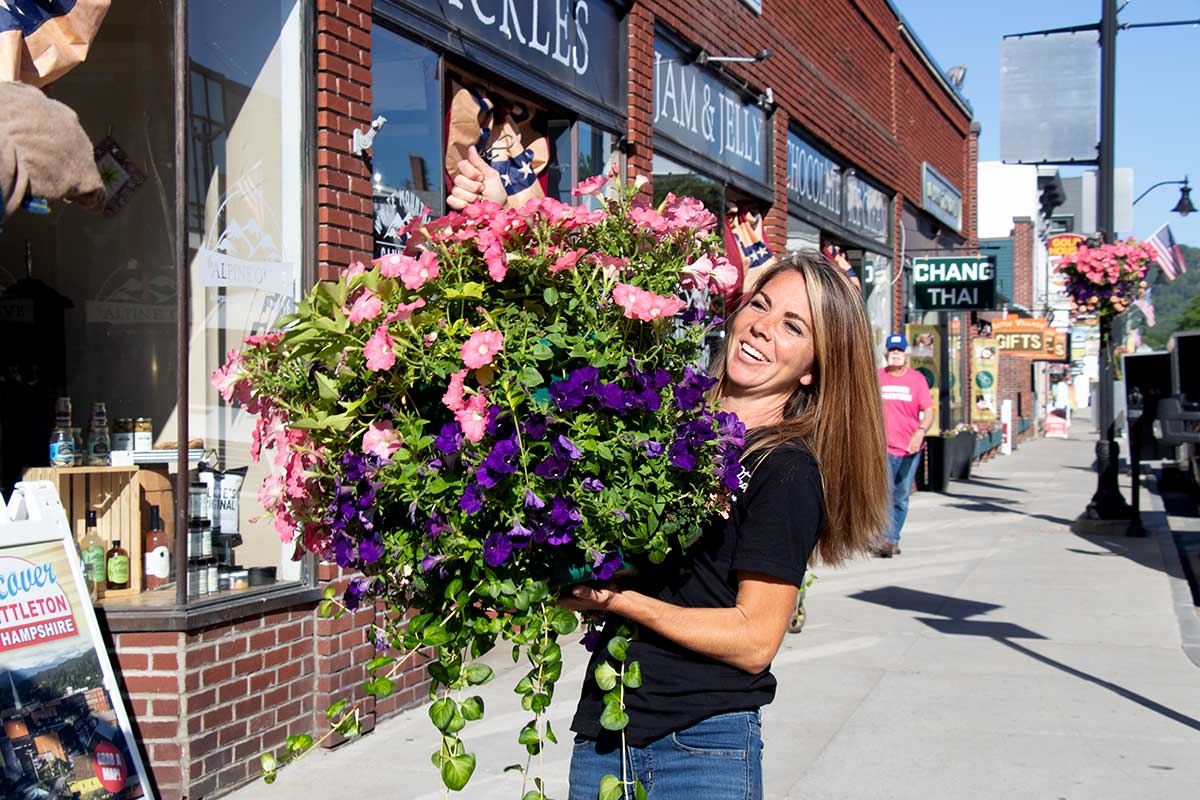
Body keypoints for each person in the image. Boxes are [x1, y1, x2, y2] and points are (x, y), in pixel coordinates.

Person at [560, 253, 890, 800]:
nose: (762, 326)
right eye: (760, 305)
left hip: (699, 749)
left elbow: (755, 639)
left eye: (793, 326)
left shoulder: (785, 470)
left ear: (812, 366)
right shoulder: (669, 423)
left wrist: (619, 602)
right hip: (607, 732)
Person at [875, 333, 934, 557]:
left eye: (900, 351)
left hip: (910, 447)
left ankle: (892, 537)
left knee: (900, 495)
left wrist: (920, 432)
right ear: (886, 354)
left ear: (906, 355)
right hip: (883, 447)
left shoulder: (917, 379)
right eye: (892, 351)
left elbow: (929, 411)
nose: (896, 355)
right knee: (883, 493)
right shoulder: (878, 377)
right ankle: (885, 538)